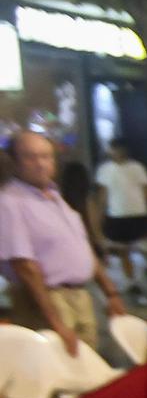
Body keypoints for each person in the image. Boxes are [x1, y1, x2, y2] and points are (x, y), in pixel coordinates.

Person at [0, 131, 127, 356]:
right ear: (15, 163)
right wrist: (56, 322)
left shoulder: (55, 197)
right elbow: (25, 267)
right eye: (30, 157)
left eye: (46, 156)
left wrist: (110, 293)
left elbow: (81, 246)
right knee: (60, 374)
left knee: (87, 370)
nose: (40, 164)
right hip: (47, 300)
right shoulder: (10, 202)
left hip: (79, 296)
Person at [94, 137, 147, 293]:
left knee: (146, 250)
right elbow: (103, 195)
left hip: (138, 214)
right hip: (117, 215)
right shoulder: (105, 169)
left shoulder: (137, 168)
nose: (116, 152)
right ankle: (132, 282)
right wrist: (99, 215)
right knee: (123, 251)